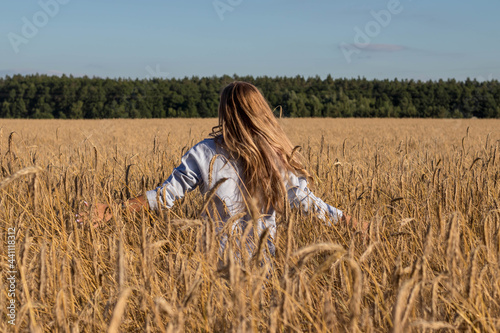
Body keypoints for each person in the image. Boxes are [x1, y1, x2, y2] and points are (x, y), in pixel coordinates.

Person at [77, 81, 363, 257]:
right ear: (261, 114)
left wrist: (114, 209)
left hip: (213, 271)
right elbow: (309, 205)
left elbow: (164, 196)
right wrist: (355, 224)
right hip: (262, 266)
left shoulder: (204, 152)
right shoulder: (275, 157)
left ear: (225, 113)